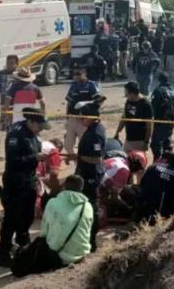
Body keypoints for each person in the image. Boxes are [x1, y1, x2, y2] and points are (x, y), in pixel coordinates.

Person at [0, 108, 51, 267]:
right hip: (15, 180)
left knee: (27, 216)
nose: (41, 130)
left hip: (29, 180)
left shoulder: (33, 134)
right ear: (31, 121)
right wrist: (34, 158)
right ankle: (3, 254)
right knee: (11, 219)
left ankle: (23, 245)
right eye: (39, 126)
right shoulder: (16, 134)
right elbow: (13, 160)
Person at [37, 175, 93, 271]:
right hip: (81, 253)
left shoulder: (52, 202)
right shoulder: (88, 206)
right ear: (82, 188)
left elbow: (43, 233)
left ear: (64, 187)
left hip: (58, 256)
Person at [123, 146, 174, 225]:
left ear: (167, 161)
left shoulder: (152, 167)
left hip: (145, 207)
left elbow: (142, 185)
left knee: (133, 188)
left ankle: (134, 214)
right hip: (165, 211)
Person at [74, 102, 105, 252]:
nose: (81, 119)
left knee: (91, 206)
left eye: (83, 117)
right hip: (86, 172)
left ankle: (91, 240)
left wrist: (79, 157)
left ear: (92, 118)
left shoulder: (95, 134)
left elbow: (97, 159)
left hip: (91, 174)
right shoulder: (93, 128)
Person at [98, 150, 147, 226]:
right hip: (97, 189)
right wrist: (127, 207)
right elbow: (115, 197)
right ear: (135, 164)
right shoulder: (124, 170)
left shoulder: (118, 159)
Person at [64, 68, 101, 157]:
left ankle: (81, 165)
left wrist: (85, 104)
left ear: (85, 74)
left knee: (83, 144)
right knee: (68, 145)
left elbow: (99, 101)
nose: (76, 76)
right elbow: (69, 102)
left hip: (84, 120)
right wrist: (67, 117)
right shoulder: (73, 85)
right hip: (72, 118)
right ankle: (75, 160)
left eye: (79, 74)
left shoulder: (91, 85)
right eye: (75, 74)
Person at [114, 81, 153, 154]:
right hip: (128, 140)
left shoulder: (146, 105)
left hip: (139, 141)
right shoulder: (129, 101)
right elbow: (124, 118)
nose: (125, 95)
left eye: (126, 93)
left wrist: (146, 142)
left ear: (132, 94)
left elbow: (149, 126)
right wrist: (117, 132)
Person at [150, 72, 174, 161]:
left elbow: (153, 106)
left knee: (155, 144)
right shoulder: (172, 89)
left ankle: (157, 162)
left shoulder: (158, 90)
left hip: (161, 120)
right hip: (171, 119)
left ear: (159, 79)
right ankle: (168, 161)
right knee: (167, 141)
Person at [36, 139, 64, 219]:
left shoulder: (42, 144)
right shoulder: (54, 151)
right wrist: (55, 190)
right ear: (58, 147)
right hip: (35, 175)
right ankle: (39, 211)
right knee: (40, 190)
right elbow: (54, 174)